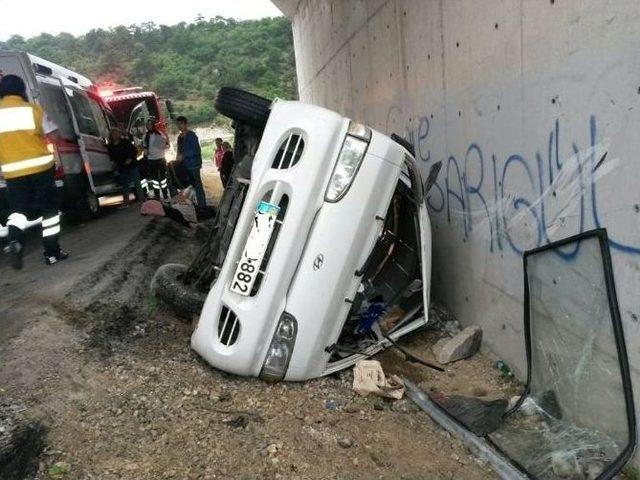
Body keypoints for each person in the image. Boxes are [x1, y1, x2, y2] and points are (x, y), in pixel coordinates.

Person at [0, 74, 68, 269]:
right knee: (49, 212)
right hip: (41, 169)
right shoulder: (33, 110)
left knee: (18, 211)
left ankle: (14, 240)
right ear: (22, 91)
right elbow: (54, 136)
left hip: (13, 173)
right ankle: (52, 253)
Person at [108, 127, 145, 206]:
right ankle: (126, 203)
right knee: (125, 185)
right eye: (113, 134)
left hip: (132, 165)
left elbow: (134, 150)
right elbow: (111, 157)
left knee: (137, 183)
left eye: (116, 133)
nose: (115, 135)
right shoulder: (110, 146)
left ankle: (143, 200)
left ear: (119, 134)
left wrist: (130, 158)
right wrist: (113, 163)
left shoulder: (125, 142)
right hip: (122, 167)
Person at [176, 116, 206, 207]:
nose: (179, 126)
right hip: (185, 165)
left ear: (185, 124)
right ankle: (193, 206)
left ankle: (202, 206)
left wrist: (184, 155)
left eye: (181, 124)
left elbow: (197, 150)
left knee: (197, 186)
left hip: (193, 165)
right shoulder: (180, 137)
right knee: (189, 187)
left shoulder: (191, 135)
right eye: (178, 124)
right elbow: (179, 150)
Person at [143, 118, 169, 199]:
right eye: (147, 125)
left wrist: (162, 144)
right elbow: (145, 147)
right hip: (151, 160)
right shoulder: (145, 136)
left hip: (160, 159)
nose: (148, 126)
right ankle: (157, 195)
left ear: (153, 125)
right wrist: (145, 152)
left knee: (163, 178)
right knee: (154, 179)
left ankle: (165, 194)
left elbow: (167, 145)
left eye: (150, 124)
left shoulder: (159, 134)